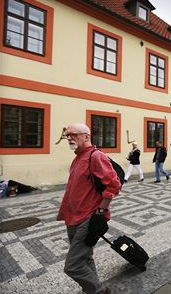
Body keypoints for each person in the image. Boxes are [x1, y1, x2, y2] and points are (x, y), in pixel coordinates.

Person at [57, 123, 121, 294]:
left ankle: (99, 290)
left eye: (74, 134)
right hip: (72, 217)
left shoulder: (96, 156)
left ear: (86, 136)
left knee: (72, 266)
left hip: (88, 217)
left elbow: (114, 185)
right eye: (67, 134)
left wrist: (100, 211)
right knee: (85, 257)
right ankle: (92, 290)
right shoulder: (77, 157)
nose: (69, 137)